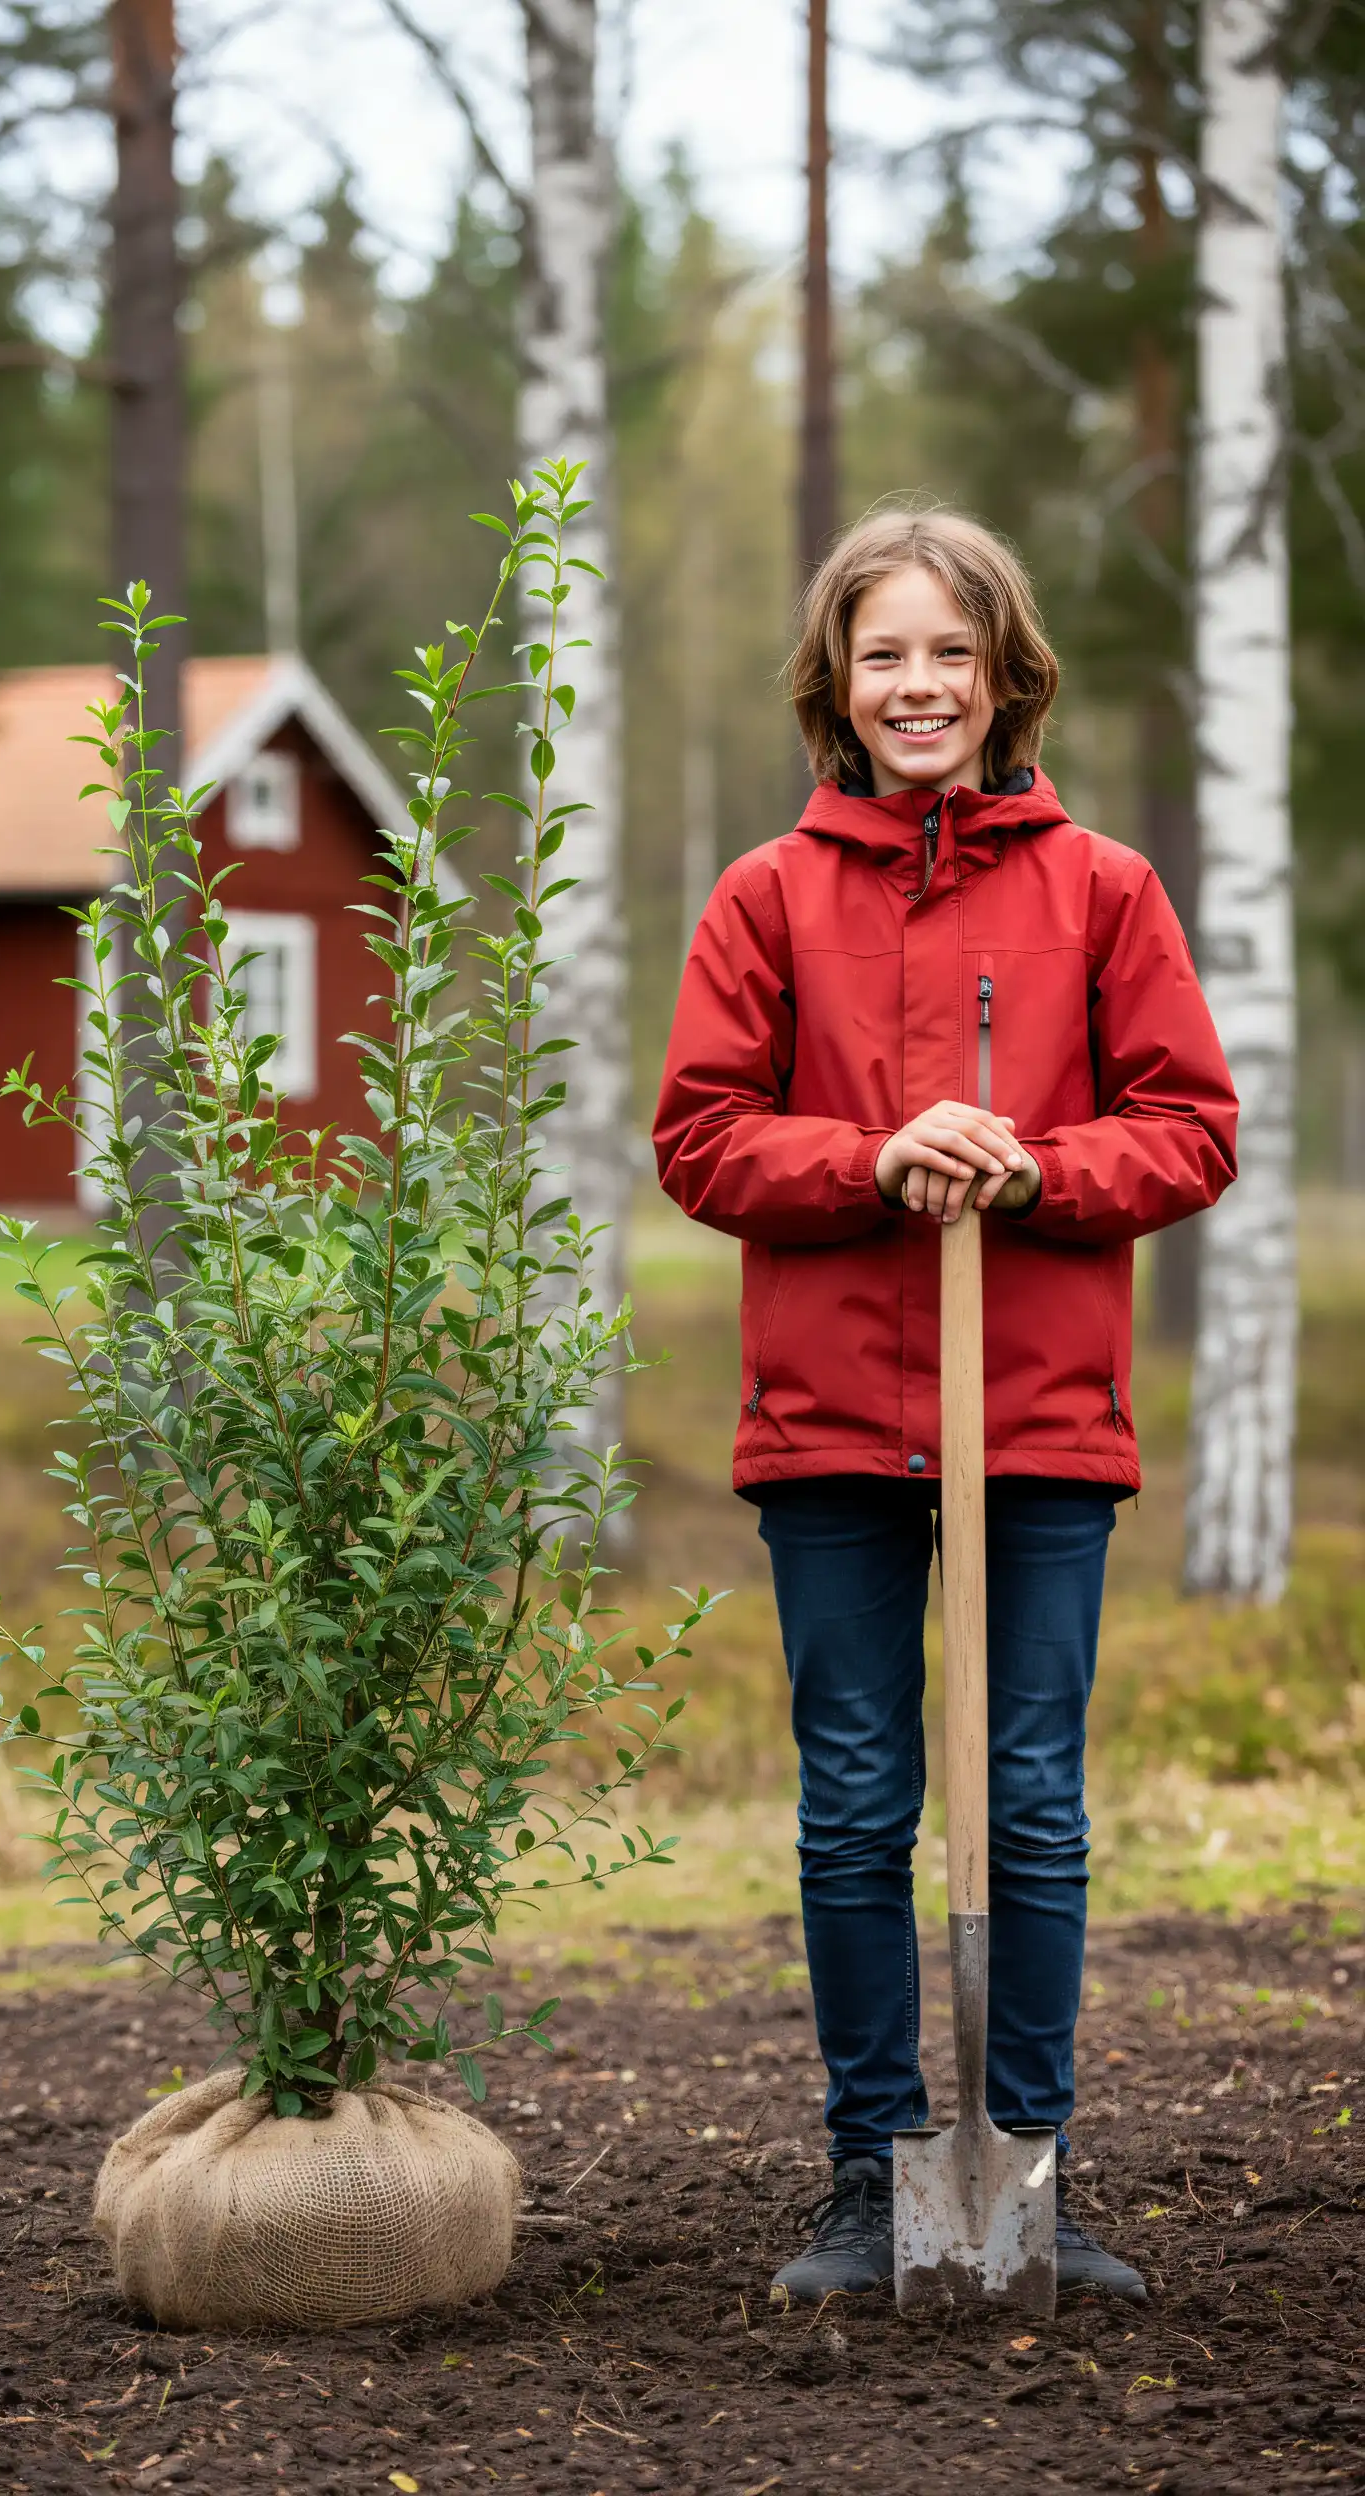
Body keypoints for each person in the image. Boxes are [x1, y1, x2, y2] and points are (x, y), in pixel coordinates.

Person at [653, 509, 1237, 2303]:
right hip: (831, 1417)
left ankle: (1027, 2169)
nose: (919, 685)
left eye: (951, 653)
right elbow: (700, 1138)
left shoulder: (1103, 890)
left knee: (1034, 1800)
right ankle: (873, 2173)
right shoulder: (767, 895)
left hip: (1038, 1416)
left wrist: (1039, 1169)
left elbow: (1191, 1128)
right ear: (836, 682)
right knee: (855, 1803)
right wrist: (872, 1156)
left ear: (1008, 677)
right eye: (884, 653)